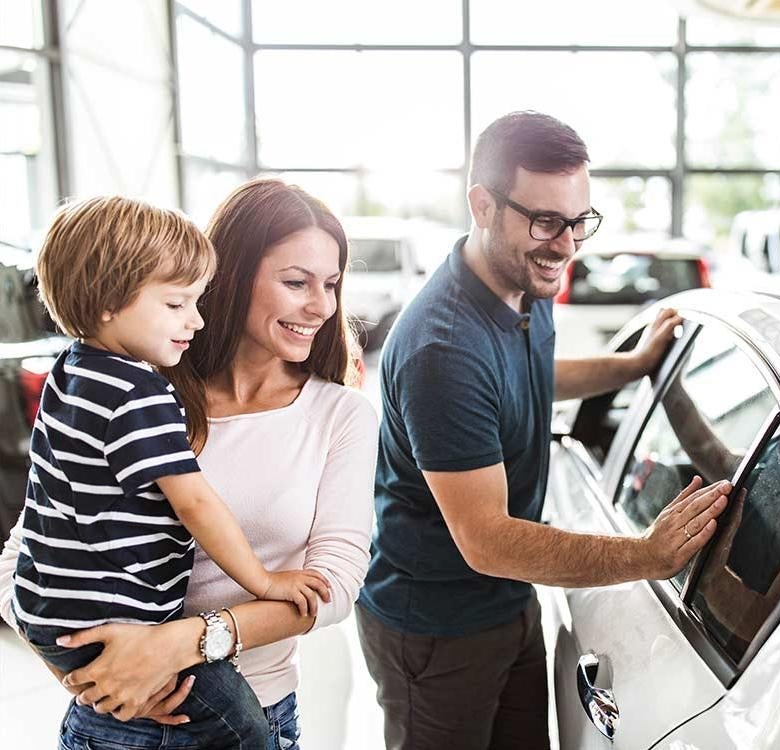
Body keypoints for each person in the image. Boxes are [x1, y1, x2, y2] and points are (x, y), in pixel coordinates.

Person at [356, 111, 732, 750]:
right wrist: (647, 554)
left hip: (507, 604)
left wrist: (631, 366)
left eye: (579, 221)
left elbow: (528, 376)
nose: (565, 245)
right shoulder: (442, 348)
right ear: (482, 204)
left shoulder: (521, 284)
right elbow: (488, 541)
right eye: (545, 222)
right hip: (437, 630)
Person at [0, 178, 379, 749]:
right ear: (227, 278)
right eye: (296, 282)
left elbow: (334, 588)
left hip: (253, 703)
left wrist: (182, 644)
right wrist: (79, 671)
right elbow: (27, 547)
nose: (321, 306)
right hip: (117, 716)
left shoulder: (339, 414)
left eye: (331, 284)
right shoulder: (142, 390)